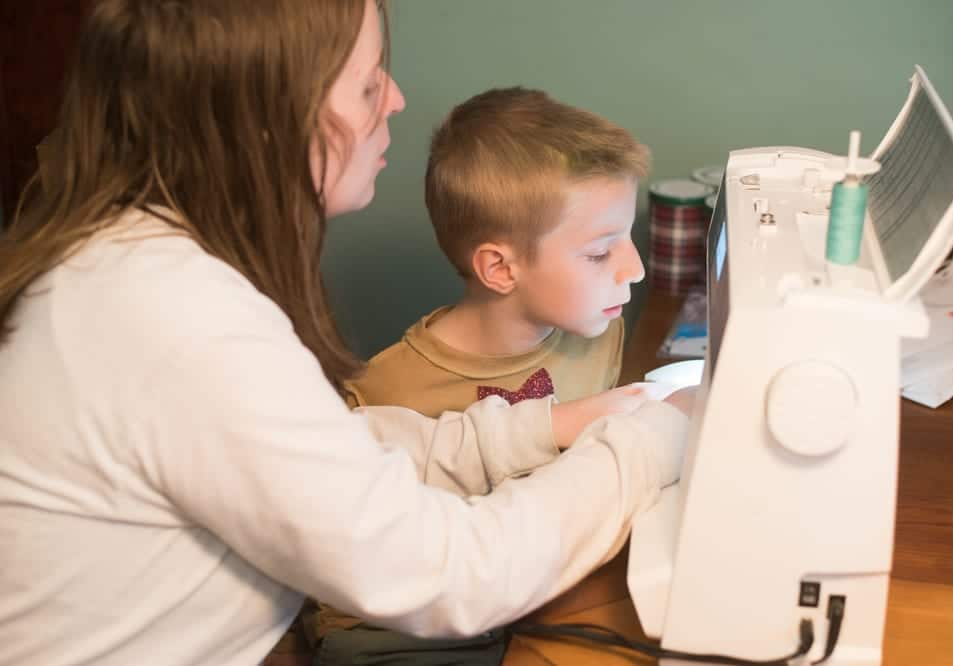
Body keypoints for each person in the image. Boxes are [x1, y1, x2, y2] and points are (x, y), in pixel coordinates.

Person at [0, 2, 691, 665]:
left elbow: (348, 452)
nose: (393, 99)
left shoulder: (142, 269)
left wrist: (544, 428)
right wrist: (653, 438)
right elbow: (450, 575)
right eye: (365, 86)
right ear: (268, 122)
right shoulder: (175, 321)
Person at [343, 87, 649, 418]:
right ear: (500, 269)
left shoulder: (600, 334)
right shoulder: (381, 397)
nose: (636, 270)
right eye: (600, 253)